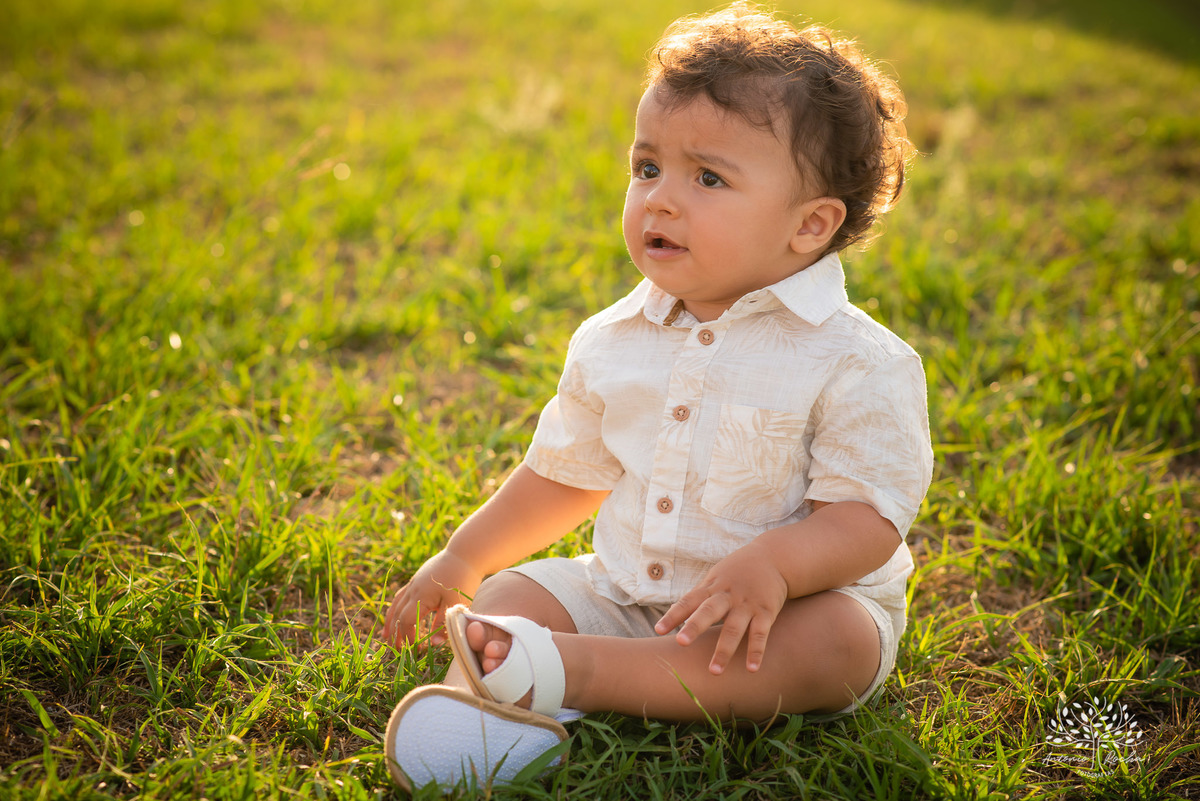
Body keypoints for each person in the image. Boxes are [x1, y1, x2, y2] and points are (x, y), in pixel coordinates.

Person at [381, 2, 934, 792]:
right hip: (628, 590)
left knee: (840, 643)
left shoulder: (857, 360)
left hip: (781, 613)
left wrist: (776, 566)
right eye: (647, 168)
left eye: (707, 177)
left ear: (810, 226)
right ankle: (498, 715)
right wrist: (466, 555)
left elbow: (867, 519)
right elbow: (564, 474)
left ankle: (577, 675)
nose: (661, 200)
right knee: (509, 595)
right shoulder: (613, 339)